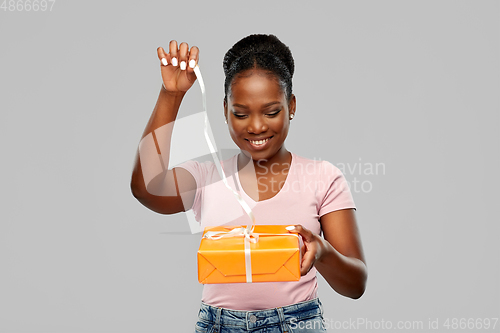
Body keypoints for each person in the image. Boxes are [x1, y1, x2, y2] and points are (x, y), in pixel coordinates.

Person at [130, 34, 367, 333]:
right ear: (225, 110)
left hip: (296, 324)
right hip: (219, 325)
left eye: (271, 112)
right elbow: (146, 187)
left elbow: (356, 284)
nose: (256, 126)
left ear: (291, 105)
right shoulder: (207, 177)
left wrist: (323, 252)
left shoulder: (322, 178)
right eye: (240, 114)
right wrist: (171, 94)